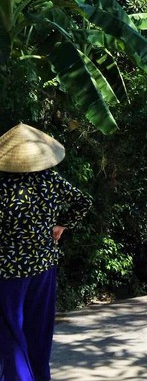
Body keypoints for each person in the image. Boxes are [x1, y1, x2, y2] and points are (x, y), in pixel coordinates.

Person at [0, 123, 92, 381]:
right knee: (38, 330)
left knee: (11, 332)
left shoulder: (3, 186)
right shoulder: (50, 179)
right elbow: (83, 202)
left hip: (9, 272)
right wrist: (62, 225)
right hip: (44, 267)